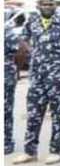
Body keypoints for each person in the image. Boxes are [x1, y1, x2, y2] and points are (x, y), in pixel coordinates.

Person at [12, 0, 60, 165]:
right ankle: (30, 151)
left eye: (51, 4)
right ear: (38, 6)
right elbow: (23, 38)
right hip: (37, 75)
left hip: (57, 76)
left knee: (57, 113)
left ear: (56, 7)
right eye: (44, 4)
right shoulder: (33, 22)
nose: (47, 7)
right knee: (33, 113)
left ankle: (55, 150)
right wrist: (30, 49)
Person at [5, 23, 22, 155]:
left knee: (6, 110)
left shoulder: (6, 30)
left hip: (5, 77)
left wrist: (17, 72)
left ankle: (6, 142)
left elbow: (20, 51)